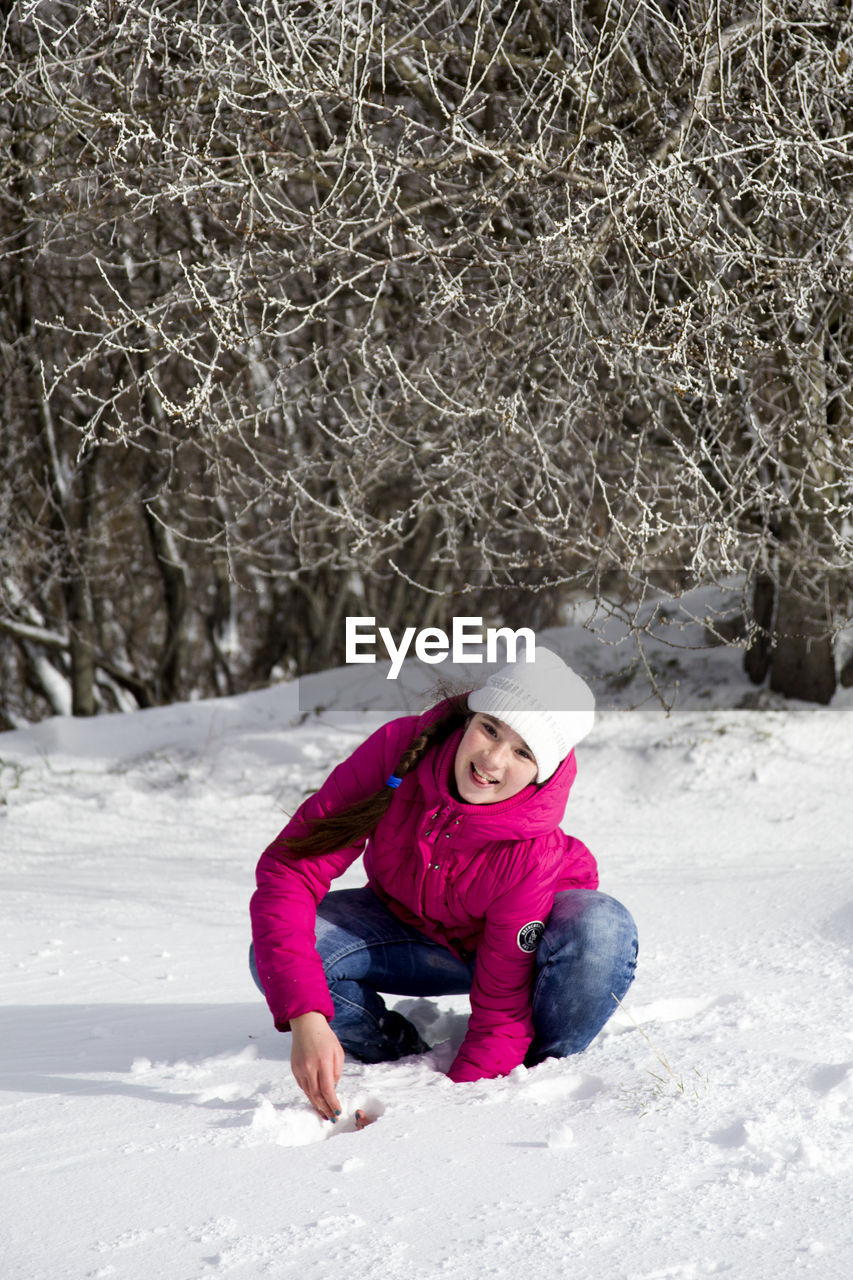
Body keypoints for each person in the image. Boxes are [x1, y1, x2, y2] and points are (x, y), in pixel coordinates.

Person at [249, 647, 637, 1121]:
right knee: (283, 958)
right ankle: (394, 1050)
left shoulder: (531, 853)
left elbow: (500, 1012)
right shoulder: (400, 750)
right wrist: (307, 1015)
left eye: (523, 752)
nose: (491, 759)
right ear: (471, 716)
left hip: (521, 958)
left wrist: (446, 1115)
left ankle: (536, 1069)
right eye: (490, 729)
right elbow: (291, 867)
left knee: (602, 927)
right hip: (411, 926)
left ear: (543, 772)